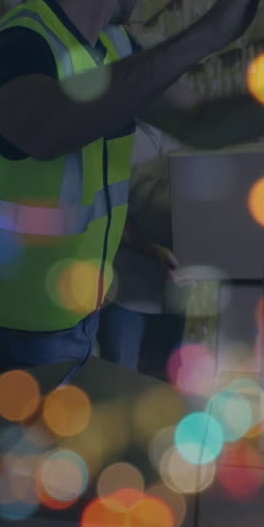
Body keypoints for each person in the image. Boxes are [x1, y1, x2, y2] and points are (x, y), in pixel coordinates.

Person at [0, 0, 264, 373]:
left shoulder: (114, 48)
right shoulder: (18, 46)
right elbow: (45, 129)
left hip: (78, 319)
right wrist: (206, 35)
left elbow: (200, 122)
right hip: (16, 336)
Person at [97, 121, 187, 381]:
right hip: (126, 291)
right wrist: (153, 249)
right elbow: (107, 211)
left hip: (180, 291)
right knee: (119, 381)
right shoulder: (114, 134)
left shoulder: (188, 133)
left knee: (175, 385)